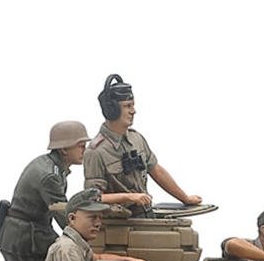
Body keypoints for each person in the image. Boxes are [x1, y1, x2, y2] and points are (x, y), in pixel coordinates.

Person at [83, 74, 202, 212]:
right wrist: (128, 197)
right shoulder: (96, 152)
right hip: (120, 220)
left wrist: (185, 198)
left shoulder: (136, 139)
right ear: (112, 110)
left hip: (144, 213)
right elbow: (93, 198)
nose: (133, 111)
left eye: (133, 105)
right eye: (127, 106)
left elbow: (156, 170)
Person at [0, 121, 92, 261]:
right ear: (64, 149)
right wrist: (88, 242)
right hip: (26, 243)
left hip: (29, 235)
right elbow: (64, 217)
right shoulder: (50, 176)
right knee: (71, 258)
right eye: (81, 146)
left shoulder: (52, 166)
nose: (84, 150)